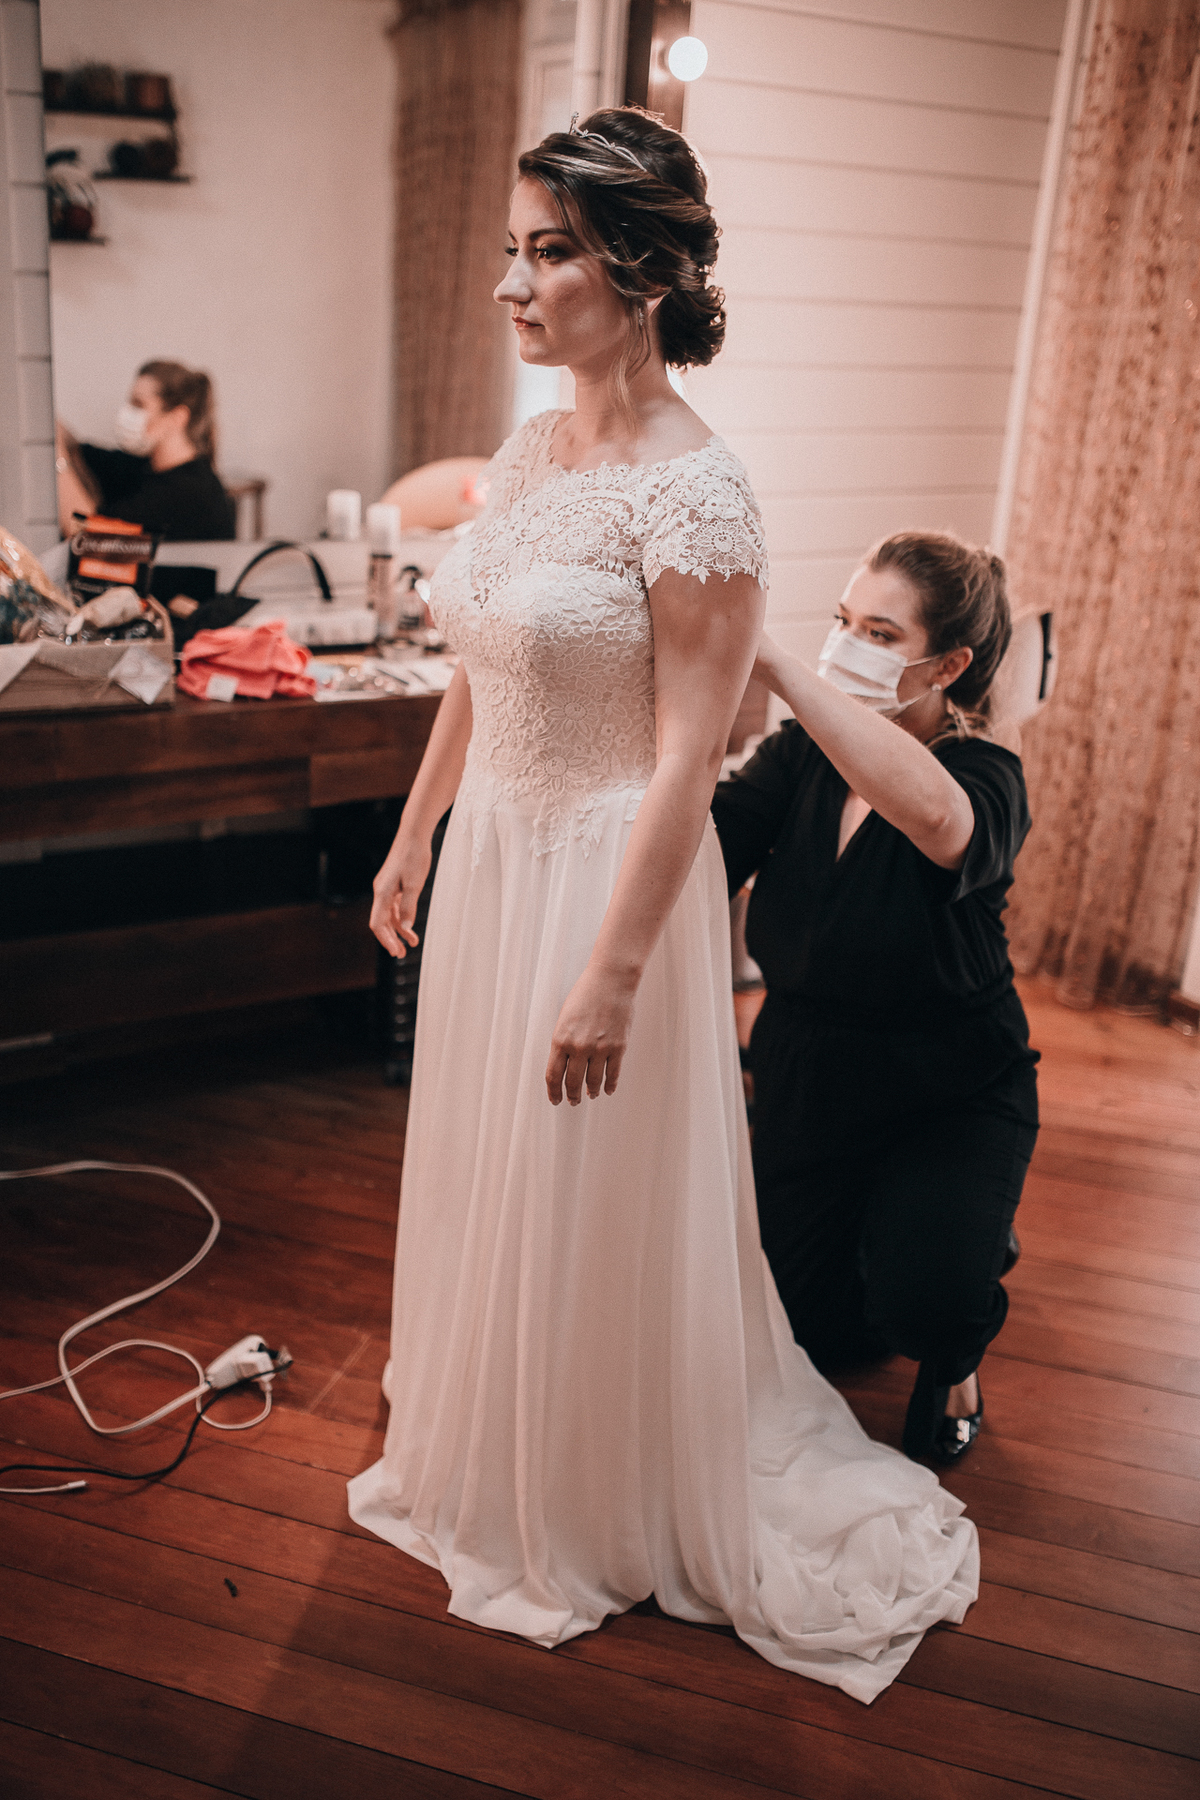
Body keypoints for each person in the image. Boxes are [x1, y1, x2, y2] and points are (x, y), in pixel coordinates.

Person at [347, 108, 978, 1704]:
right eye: (514, 245)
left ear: (636, 270)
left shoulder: (705, 493)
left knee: (584, 1177)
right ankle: (493, 1432)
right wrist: (415, 835)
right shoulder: (526, 451)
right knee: (496, 1157)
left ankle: (590, 1478)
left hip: (608, 876)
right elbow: (482, 667)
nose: (516, 280)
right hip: (497, 857)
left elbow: (695, 754)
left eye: (548, 250)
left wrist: (617, 976)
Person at [712, 534, 1039, 1464]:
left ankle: (963, 1313)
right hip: (809, 1072)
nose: (848, 645)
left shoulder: (987, 777)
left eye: (880, 632)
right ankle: (940, 1236)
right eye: (843, 622)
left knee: (923, 1308)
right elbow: (703, 847)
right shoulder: (797, 758)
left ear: (949, 664)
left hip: (950, 1086)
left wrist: (771, 658)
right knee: (827, 1335)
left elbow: (935, 821)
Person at [55, 360, 235, 540]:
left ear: (177, 418)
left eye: (138, 404)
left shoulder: (191, 492)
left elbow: (87, 537)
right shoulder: (147, 467)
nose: (127, 413)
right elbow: (78, 450)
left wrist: (58, 460)